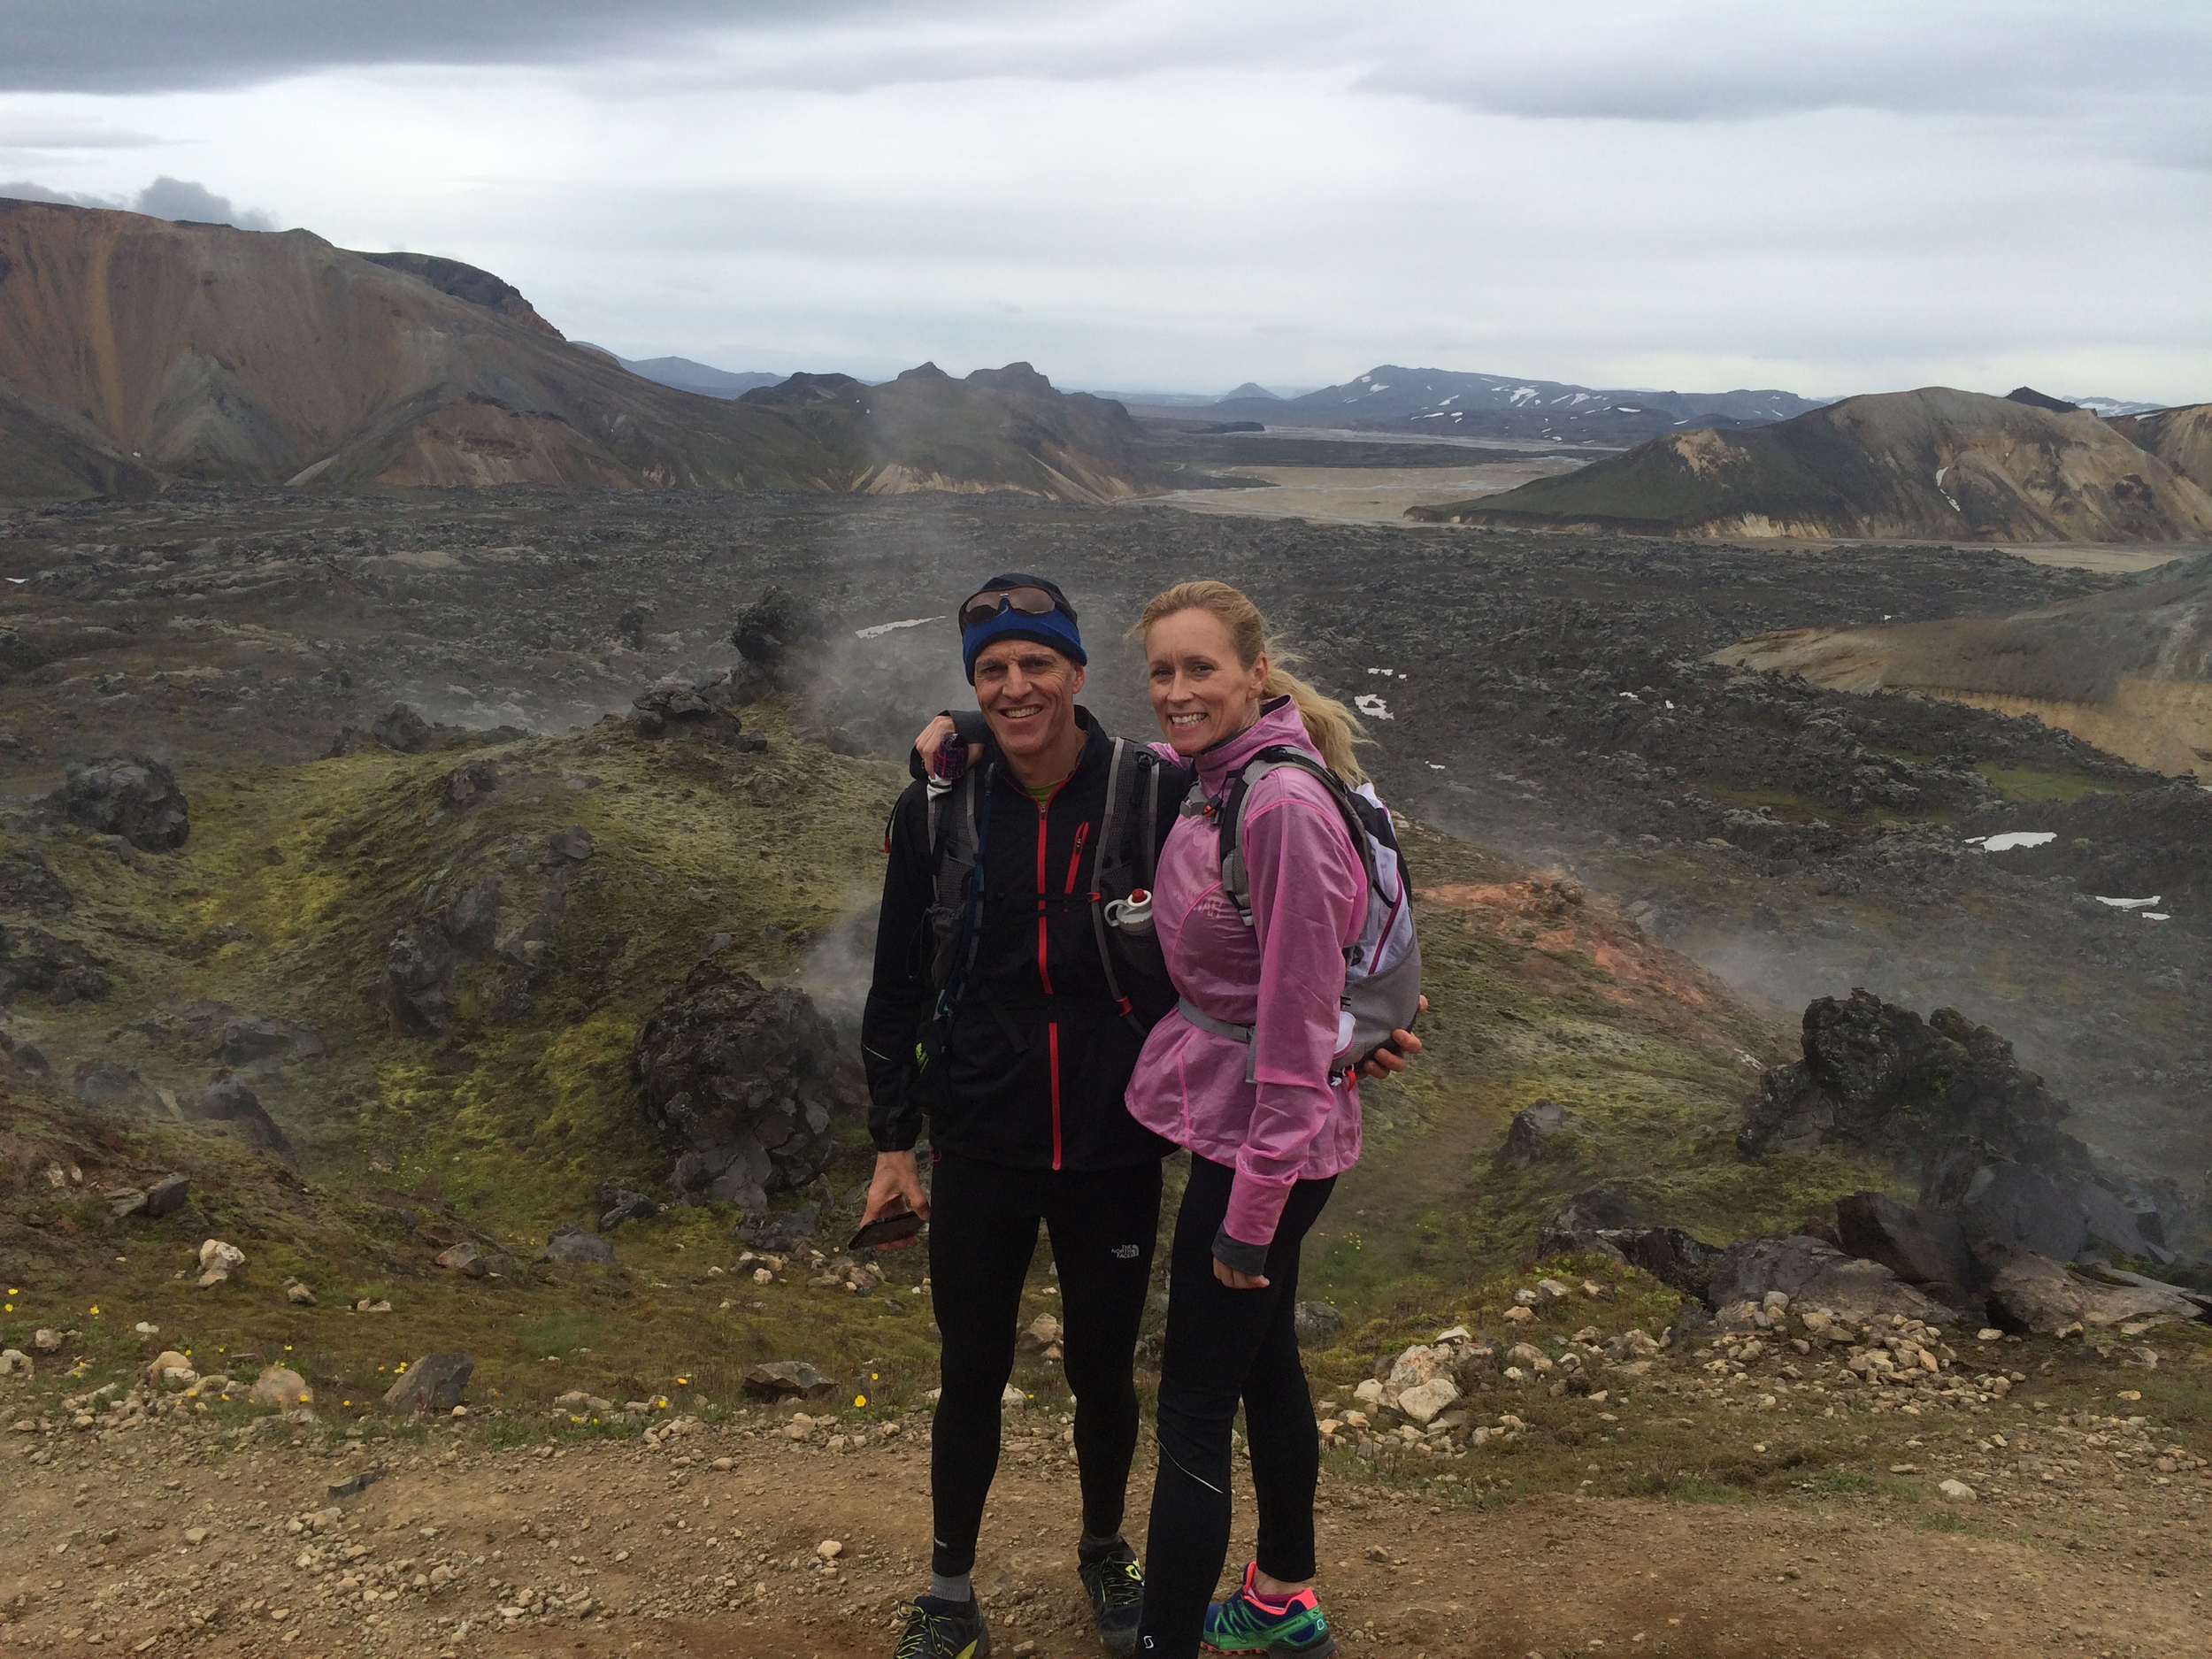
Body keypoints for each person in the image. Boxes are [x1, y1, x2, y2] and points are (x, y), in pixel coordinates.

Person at [860, 575, 1421, 1659]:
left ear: (1077, 672)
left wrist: (1366, 1022)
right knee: (971, 1365)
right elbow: (896, 975)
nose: (1016, 687)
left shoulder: (1159, 788)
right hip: (980, 1125)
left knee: (1109, 1370)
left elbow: (1309, 915)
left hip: (1120, 1133)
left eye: (1038, 665)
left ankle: (1110, 1550)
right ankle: (948, 1584)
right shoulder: (942, 798)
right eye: (990, 673)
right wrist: (894, 1138)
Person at [1124, 580, 1383, 1659]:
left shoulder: (1274, 807)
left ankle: (1167, 1646)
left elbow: (1295, 1031)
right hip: (1250, 1134)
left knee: (1190, 1404)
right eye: (1162, 672)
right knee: (1265, 1359)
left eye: (1200, 670)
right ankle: (1282, 1602)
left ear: (1255, 673)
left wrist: (1252, 1214)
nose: (1178, 693)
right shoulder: (1218, 776)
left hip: (1264, 1150)